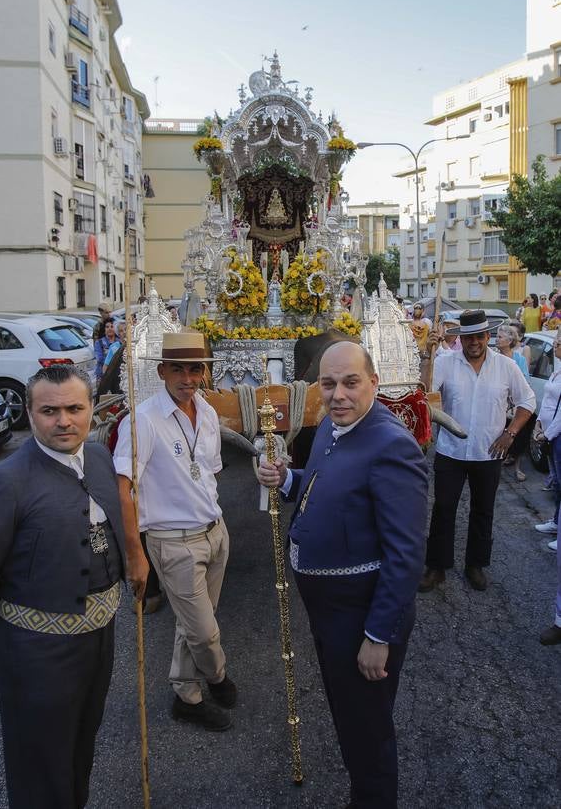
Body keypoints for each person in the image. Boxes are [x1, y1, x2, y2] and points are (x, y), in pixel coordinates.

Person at [257, 341, 428, 809]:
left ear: (373, 383)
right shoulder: (335, 429)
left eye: (350, 382)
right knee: (349, 717)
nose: (338, 395)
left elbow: (406, 554)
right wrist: (287, 481)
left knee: (367, 731)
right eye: (328, 384)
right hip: (330, 609)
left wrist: (379, 635)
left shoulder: (393, 446)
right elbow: (322, 484)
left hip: (361, 614)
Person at [0, 366, 126, 809]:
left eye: (74, 408)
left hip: (99, 641)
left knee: (80, 748)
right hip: (35, 653)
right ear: (28, 414)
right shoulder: (3, 481)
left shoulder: (100, 458)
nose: (63, 421)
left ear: (91, 410)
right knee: (40, 765)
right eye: (49, 411)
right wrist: (30, 615)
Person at [114, 331, 236, 732]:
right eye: (178, 368)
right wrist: (135, 554)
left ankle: (187, 694)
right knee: (203, 632)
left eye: (195, 368)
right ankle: (216, 676)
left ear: (204, 372)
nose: (187, 377)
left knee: (193, 622)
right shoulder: (143, 420)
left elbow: (210, 474)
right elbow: (124, 489)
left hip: (215, 532)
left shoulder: (207, 412)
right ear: (163, 370)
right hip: (174, 543)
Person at [420, 310, 536, 593]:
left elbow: (528, 401)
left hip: (488, 454)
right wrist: (427, 355)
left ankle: (475, 565)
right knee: (444, 509)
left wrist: (510, 434)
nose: (475, 341)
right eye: (469, 336)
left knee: (483, 511)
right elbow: (423, 392)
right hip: (451, 451)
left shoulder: (506, 367)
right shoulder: (446, 362)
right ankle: (436, 567)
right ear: (462, 338)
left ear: (488, 337)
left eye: (480, 336)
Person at [533, 330, 561, 555]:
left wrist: (548, 434)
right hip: (551, 433)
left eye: (559, 343)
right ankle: (556, 522)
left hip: (557, 435)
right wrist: (539, 424)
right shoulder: (556, 371)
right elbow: (549, 405)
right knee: (557, 484)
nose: (556, 346)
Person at [496, 324, 531, 482]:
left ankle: (517, 468)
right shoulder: (494, 357)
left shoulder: (519, 359)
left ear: (509, 340)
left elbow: (525, 381)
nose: (497, 340)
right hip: (500, 403)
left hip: (515, 404)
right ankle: (496, 461)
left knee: (517, 435)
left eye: (500, 337)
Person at [94, 317, 117, 383]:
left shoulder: (119, 342)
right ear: (104, 329)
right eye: (107, 327)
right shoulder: (99, 343)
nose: (110, 329)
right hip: (103, 376)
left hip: (116, 376)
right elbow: (99, 359)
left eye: (112, 326)